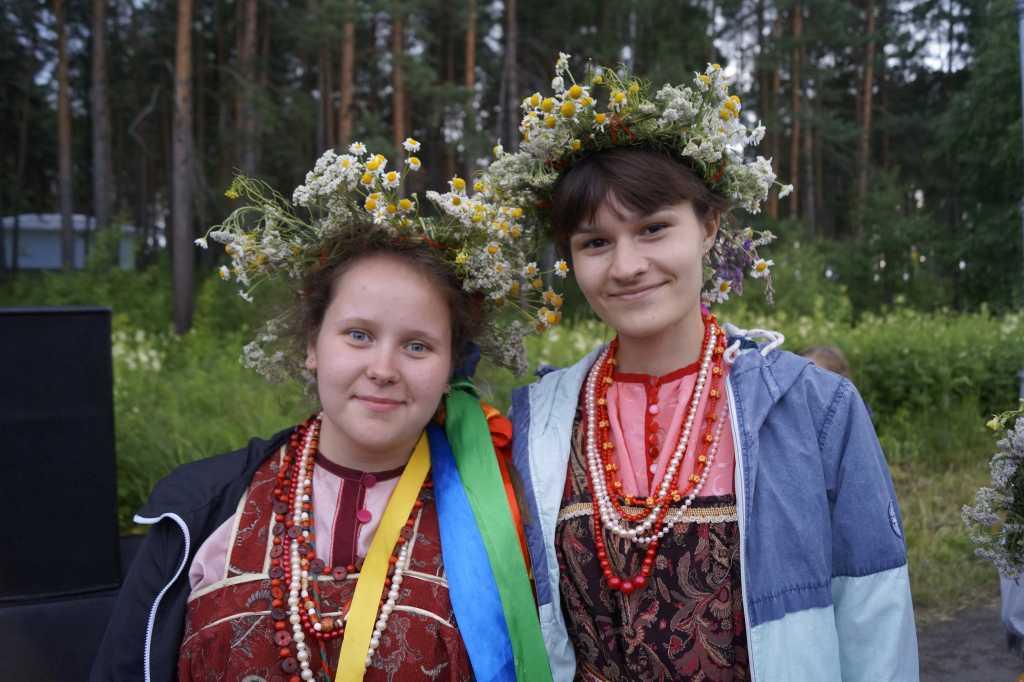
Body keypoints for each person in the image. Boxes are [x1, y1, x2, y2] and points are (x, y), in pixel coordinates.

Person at [485, 56, 918, 680]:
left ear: (709, 226)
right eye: (595, 242)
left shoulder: (815, 409)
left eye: (653, 228)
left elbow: (874, 621)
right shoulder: (539, 422)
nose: (627, 266)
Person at [91, 142, 556, 682]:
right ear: (313, 344)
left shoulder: (507, 515)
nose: (383, 369)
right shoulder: (201, 511)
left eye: (417, 346)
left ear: (452, 363)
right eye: (358, 335)